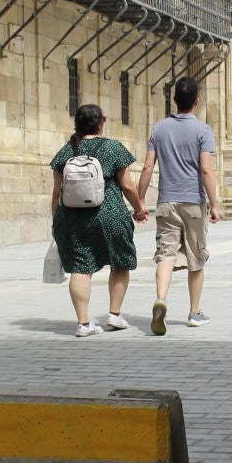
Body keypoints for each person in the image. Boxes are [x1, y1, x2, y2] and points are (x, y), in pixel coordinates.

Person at [49, 103, 147, 337]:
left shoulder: (65, 151)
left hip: (72, 218)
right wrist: (139, 208)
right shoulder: (113, 148)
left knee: (80, 268)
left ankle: (84, 324)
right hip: (110, 214)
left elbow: (56, 193)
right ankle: (114, 315)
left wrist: (56, 221)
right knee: (120, 262)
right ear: (100, 123)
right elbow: (127, 185)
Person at [137, 75, 220, 334]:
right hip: (193, 203)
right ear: (197, 101)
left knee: (166, 254)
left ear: (174, 100)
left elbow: (148, 166)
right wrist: (214, 204)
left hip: (166, 202)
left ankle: (161, 299)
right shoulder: (203, 131)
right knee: (196, 258)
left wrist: (140, 201)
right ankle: (194, 312)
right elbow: (206, 170)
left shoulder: (159, 129)